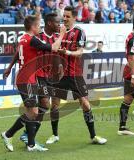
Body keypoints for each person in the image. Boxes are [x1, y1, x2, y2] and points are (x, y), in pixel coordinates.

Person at [1, 15, 66, 152]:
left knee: (32, 112)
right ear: (34, 27)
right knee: (33, 112)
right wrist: (61, 35)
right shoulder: (32, 40)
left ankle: (29, 143)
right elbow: (54, 47)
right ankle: (9, 135)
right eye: (39, 26)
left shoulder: (23, 38)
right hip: (26, 80)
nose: (40, 28)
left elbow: (19, 54)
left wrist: (9, 68)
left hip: (27, 79)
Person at [45, 6, 107, 145]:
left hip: (74, 74)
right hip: (58, 74)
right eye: (64, 16)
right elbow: (53, 48)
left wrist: (67, 53)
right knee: (54, 104)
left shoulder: (79, 32)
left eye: (67, 16)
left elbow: (80, 52)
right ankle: (54, 135)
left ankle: (93, 136)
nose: (65, 19)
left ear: (74, 17)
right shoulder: (58, 31)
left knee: (85, 103)